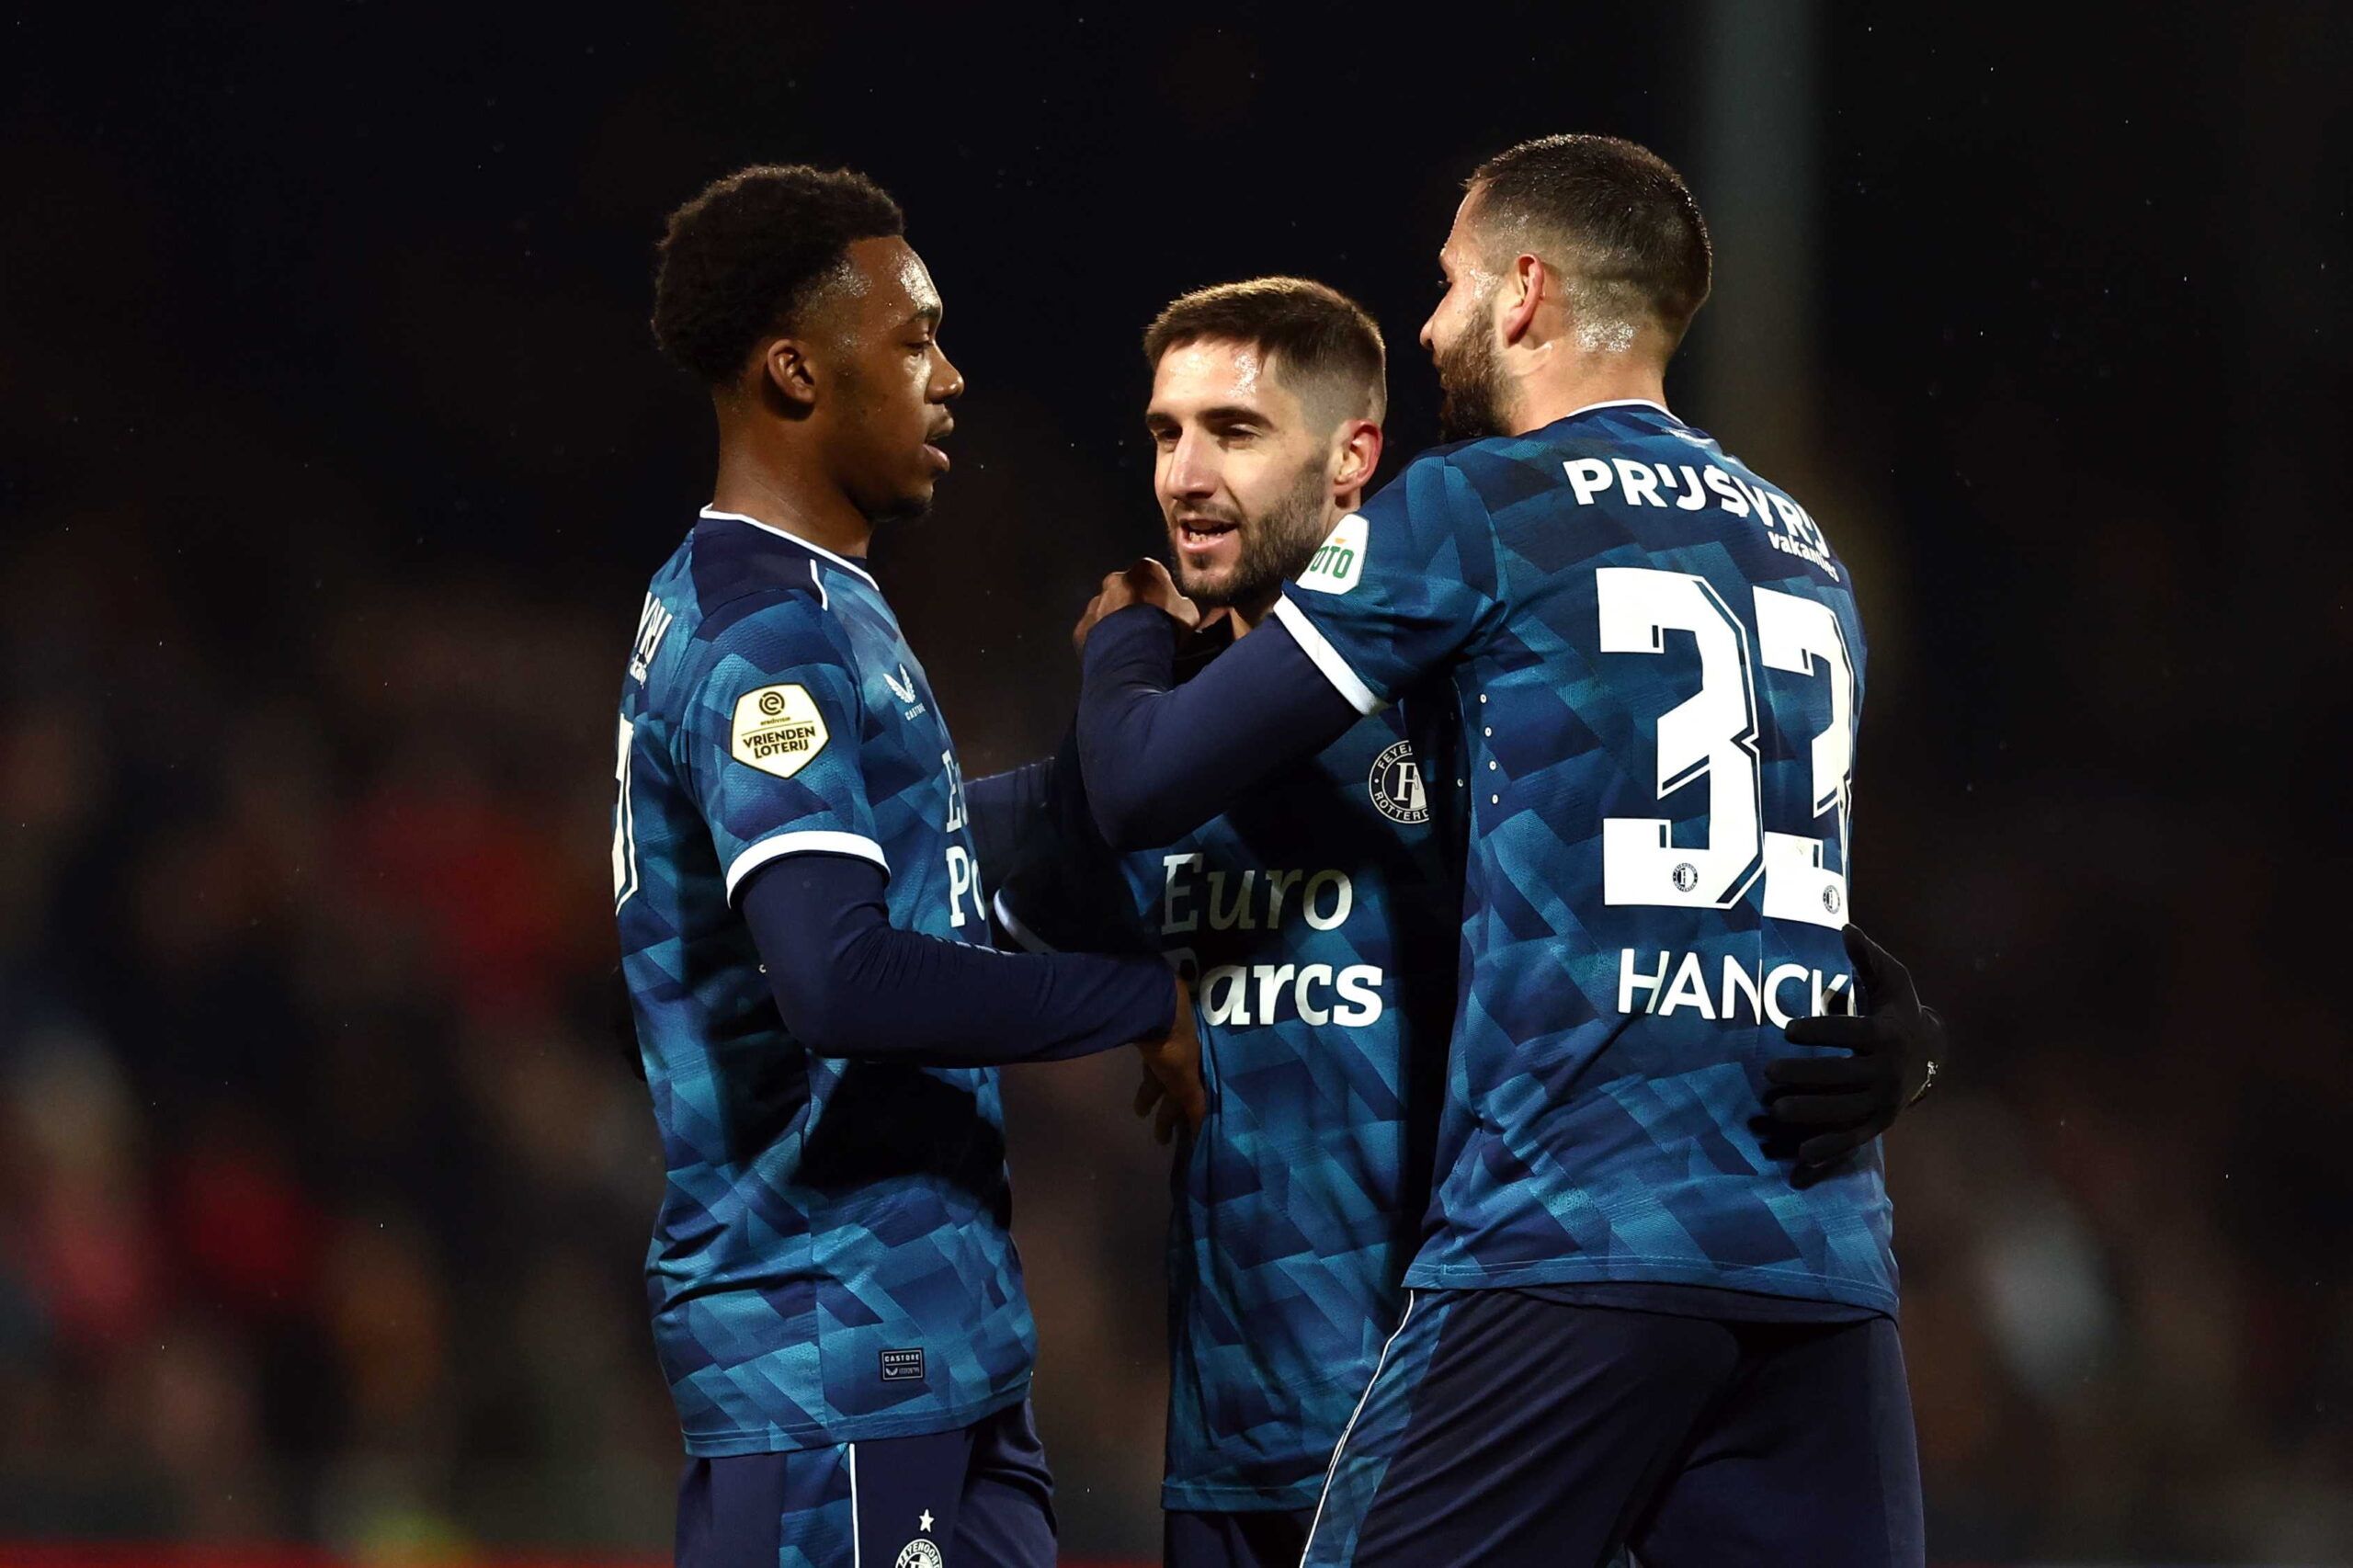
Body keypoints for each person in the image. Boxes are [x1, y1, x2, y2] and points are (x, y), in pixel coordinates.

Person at [1070, 135, 1938, 1566]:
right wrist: (1908, 1021)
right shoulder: (1802, 545)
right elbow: (1734, 865)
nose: (1427, 325)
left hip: (1573, 1230)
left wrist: (1120, 646)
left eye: (1449, 282)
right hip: (1819, 1262)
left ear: (1524, 291)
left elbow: (1149, 780)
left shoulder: (1477, 507)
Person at [612, 163, 1201, 1568]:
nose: (949, 376)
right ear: (798, 369)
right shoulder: (767, 633)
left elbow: (932, 847)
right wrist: (1134, 1000)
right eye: (915, 337)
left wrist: (1142, 739)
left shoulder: (816, 602)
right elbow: (838, 976)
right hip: (834, 1348)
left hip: (920, 1347)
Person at [986, 278, 1460, 1568]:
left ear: (1353, 457)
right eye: (1164, 433)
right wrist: (1127, 996)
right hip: (1221, 1446)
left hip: (1444, 1431)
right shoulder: (1143, 757)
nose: (1185, 476)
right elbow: (893, 880)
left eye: (1235, 431)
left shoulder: (1462, 724)